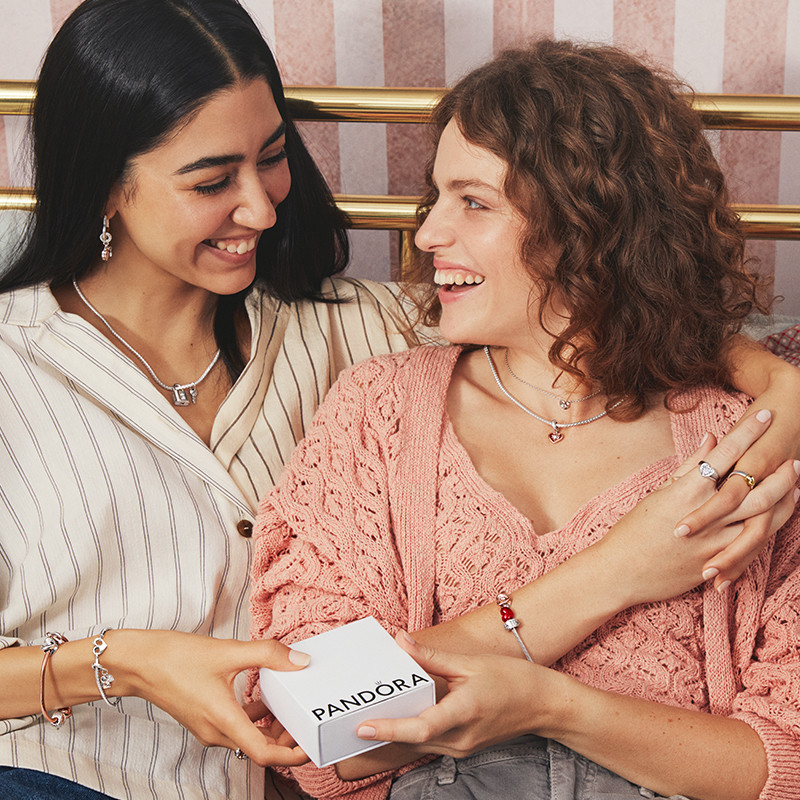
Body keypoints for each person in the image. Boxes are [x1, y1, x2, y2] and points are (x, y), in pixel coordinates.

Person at [249, 41, 800, 800]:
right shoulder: (379, 413)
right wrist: (614, 571)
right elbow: (313, 732)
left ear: (594, 223)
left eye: (474, 202)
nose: (428, 233)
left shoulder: (748, 443)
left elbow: (784, 759)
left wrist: (557, 708)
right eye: (437, 197)